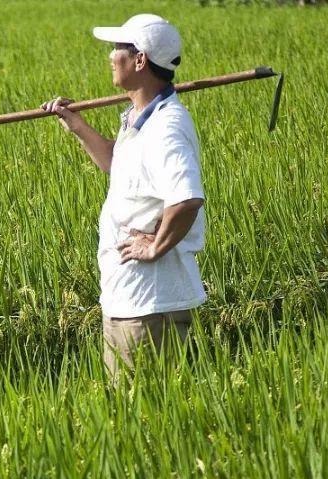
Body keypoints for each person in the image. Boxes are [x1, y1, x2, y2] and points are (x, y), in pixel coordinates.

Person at [41, 14, 207, 381]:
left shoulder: (166, 128)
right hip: (127, 298)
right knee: (125, 410)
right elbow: (119, 165)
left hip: (152, 306)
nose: (110, 56)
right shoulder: (137, 118)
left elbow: (187, 199)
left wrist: (155, 247)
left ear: (140, 60)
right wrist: (76, 124)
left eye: (117, 48)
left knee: (147, 413)